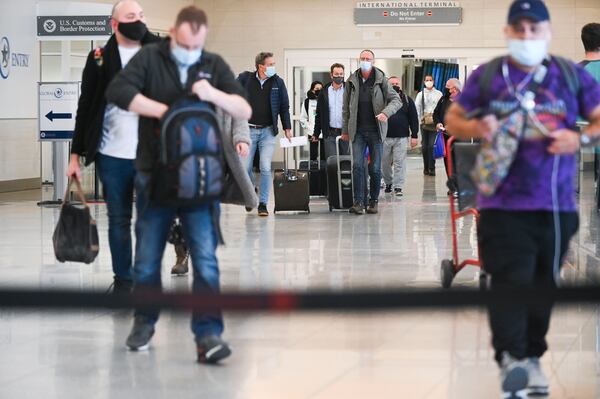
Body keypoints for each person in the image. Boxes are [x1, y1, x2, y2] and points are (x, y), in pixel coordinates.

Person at [445, 1, 600, 397]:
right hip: (501, 203)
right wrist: (476, 123)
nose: (527, 36)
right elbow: (453, 119)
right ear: (508, 32)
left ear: (547, 32)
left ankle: (531, 355)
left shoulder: (568, 76)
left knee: (544, 282)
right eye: (520, 29)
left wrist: (580, 136)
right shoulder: (489, 76)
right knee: (510, 279)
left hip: (555, 204)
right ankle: (510, 358)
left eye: (535, 29)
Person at [105, 5, 253, 363]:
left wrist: (212, 94)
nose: (190, 52)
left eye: (196, 46)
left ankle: (208, 333)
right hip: (153, 177)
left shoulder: (214, 64)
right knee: (147, 256)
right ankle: (144, 321)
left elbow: (243, 109)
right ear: (173, 33)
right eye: (185, 45)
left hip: (201, 180)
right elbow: (119, 91)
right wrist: (162, 110)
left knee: (205, 257)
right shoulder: (149, 59)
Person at [66, 0, 159, 293]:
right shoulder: (99, 58)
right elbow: (86, 106)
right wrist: (75, 154)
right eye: (131, 16)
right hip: (111, 155)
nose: (139, 20)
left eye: (142, 15)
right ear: (115, 24)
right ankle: (123, 280)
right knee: (118, 220)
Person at [342, 49, 401, 215]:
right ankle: (358, 201)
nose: (365, 60)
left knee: (375, 168)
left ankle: (373, 201)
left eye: (368, 58)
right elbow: (345, 108)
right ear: (358, 60)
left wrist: (385, 113)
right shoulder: (351, 81)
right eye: (363, 58)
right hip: (357, 132)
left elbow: (396, 100)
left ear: (373, 61)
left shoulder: (381, 80)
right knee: (357, 167)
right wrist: (345, 130)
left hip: (376, 132)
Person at [237, 52, 292, 217]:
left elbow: (284, 107)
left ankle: (262, 203)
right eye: (270, 64)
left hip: (268, 131)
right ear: (261, 66)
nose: (273, 67)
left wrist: (287, 128)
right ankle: (251, 191)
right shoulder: (245, 79)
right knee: (245, 167)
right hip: (247, 130)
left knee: (266, 166)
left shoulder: (277, 82)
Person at [382, 76, 419, 197]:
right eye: (392, 83)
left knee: (399, 163)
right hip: (384, 137)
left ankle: (398, 186)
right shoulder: (382, 99)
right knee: (384, 162)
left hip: (402, 137)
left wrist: (414, 135)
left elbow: (413, 118)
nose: (395, 85)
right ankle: (388, 183)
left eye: (397, 83)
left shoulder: (407, 100)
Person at [314, 63, 349, 159]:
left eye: (341, 74)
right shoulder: (324, 91)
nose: (339, 76)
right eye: (336, 74)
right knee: (332, 162)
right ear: (331, 75)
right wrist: (316, 133)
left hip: (346, 133)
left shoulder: (349, 90)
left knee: (346, 161)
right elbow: (319, 114)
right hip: (329, 133)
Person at [433, 77, 462, 181]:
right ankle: (452, 184)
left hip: (460, 137)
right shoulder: (443, 99)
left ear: (455, 89)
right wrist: (438, 123)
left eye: (447, 87)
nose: (446, 89)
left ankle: (459, 185)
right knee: (448, 160)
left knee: (459, 161)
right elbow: (436, 113)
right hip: (445, 136)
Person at [415, 75, 443, 176]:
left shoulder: (439, 94)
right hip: (424, 123)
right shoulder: (420, 94)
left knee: (431, 146)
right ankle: (426, 167)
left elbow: (441, 108)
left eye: (430, 80)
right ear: (424, 82)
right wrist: (418, 121)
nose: (429, 82)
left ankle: (432, 167)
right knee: (424, 147)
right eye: (427, 80)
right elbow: (417, 108)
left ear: (434, 81)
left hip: (435, 123)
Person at [300, 80, 323, 160]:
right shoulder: (307, 102)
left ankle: (323, 172)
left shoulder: (326, 100)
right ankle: (314, 172)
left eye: (321, 88)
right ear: (312, 90)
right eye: (317, 88)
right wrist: (309, 127)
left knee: (325, 156)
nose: (319, 90)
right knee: (313, 156)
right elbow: (303, 118)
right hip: (312, 132)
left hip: (324, 133)